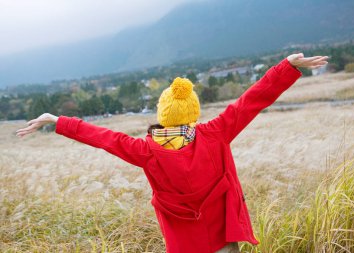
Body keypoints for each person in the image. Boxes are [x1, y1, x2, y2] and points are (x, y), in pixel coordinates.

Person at [16, 53, 328, 253]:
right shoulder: (216, 133)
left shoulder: (146, 151)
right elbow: (251, 101)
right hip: (222, 238)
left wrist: (58, 121)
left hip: (183, 247)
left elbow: (104, 137)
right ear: (193, 112)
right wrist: (286, 68)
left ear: (163, 114)